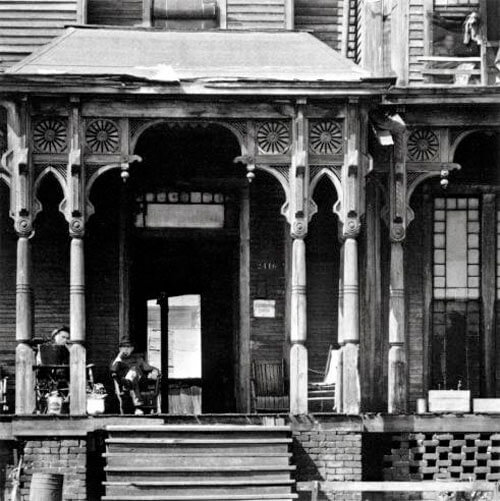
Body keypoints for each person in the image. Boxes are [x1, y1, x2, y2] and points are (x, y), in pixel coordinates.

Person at [110, 342, 160, 415]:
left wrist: (155, 371)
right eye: (123, 347)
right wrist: (119, 357)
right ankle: (137, 405)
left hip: (140, 383)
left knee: (134, 369)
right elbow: (113, 370)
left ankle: (128, 382)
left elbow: (148, 368)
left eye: (128, 347)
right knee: (131, 379)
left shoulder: (138, 359)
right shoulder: (117, 361)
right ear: (120, 349)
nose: (126, 349)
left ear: (132, 349)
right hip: (125, 384)